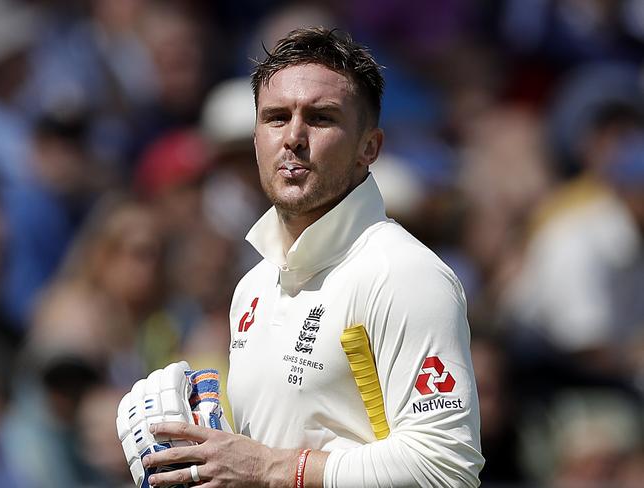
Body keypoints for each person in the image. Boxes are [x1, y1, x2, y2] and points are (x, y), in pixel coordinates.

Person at [141, 27, 484, 487]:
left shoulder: (404, 274)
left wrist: (270, 469)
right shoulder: (253, 287)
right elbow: (257, 463)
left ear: (370, 148)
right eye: (276, 118)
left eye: (321, 118)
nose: (294, 137)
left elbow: (446, 466)